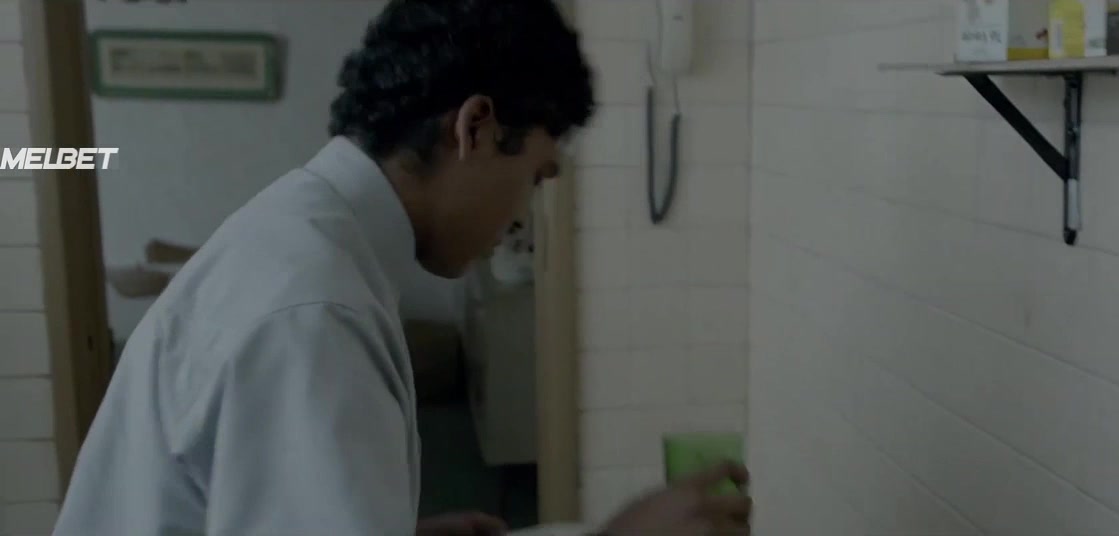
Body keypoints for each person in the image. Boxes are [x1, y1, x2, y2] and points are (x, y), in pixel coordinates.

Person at [52, 1, 752, 535]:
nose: (521, 213)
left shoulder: (302, 237)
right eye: (536, 176)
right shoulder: (316, 312)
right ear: (475, 128)